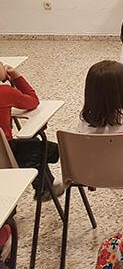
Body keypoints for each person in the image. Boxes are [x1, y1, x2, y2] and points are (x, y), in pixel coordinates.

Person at [1, 62, 61, 200]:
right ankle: (44, 188)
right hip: (5, 156)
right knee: (49, 149)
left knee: (31, 144)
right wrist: (17, 77)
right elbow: (33, 101)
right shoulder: (5, 93)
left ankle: (46, 187)